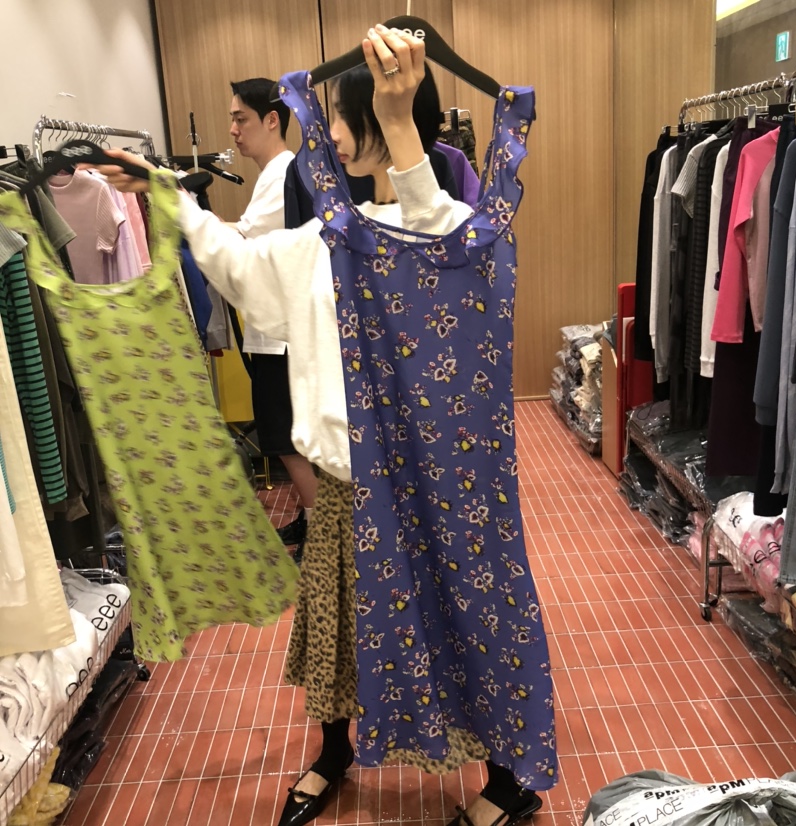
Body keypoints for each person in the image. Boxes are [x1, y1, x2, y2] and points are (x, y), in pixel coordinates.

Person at [88, 25, 555, 826]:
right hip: (341, 484)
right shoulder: (320, 242)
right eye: (334, 116)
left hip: (437, 493)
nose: (331, 133)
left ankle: (510, 778)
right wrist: (166, 195)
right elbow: (237, 267)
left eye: (343, 117)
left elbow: (430, 235)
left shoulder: (454, 231)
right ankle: (336, 750)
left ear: (384, 119)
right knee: (337, 635)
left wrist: (399, 124)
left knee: (463, 622)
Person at [228, 76, 317, 552]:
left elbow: (240, 240)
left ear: (271, 120)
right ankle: (312, 518)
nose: (234, 130)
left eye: (241, 119)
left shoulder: (282, 172)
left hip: (281, 335)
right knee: (289, 435)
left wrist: (185, 219)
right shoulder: (277, 174)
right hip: (281, 329)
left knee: (284, 438)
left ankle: (323, 534)